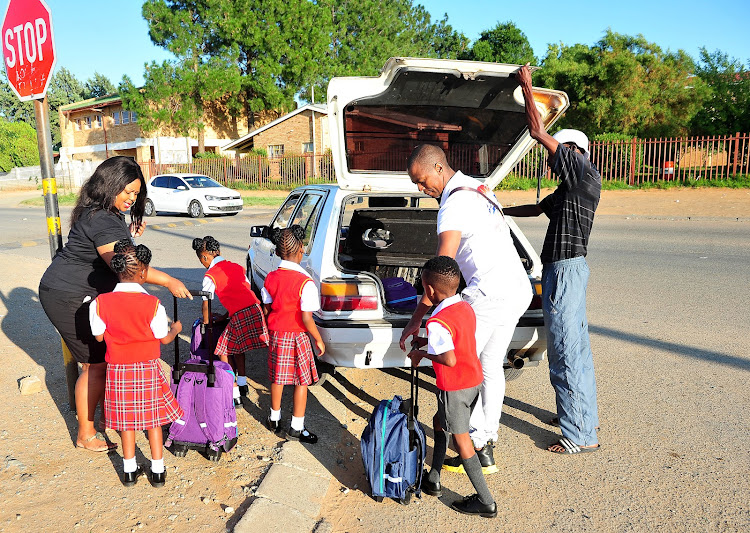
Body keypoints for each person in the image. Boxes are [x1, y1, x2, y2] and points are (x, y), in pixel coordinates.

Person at [38, 156, 190, 453]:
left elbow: (115, 252)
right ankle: (86, 432)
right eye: (128, 193)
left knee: (104, 360)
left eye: (136, 194)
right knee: (95, 364)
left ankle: (112, 414)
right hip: (69, 294)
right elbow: (128, 268)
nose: (132, 199)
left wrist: (127, 237)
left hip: (79, 289)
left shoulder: (103, 212)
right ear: (110, 186)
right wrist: (169, 280)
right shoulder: (104, 220)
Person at [400, 144, 531, 474]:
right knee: (488, 366)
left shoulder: (453, 204)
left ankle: (474, 444)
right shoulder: (477, 187)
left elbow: (443, 265)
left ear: (439, 169)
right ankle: (487, 440)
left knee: (459, 371)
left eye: (421, 180)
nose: (420, 188)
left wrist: (418, 319)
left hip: (488, 295)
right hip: (516, 289)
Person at [502, 64, 601, 455]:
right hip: (567, 271)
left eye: (560, 150)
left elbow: (537, 131)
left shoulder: (581, 172)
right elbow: (536, 208)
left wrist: (526, 86)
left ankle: (579, 436)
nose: (551, 158)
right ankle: (580, 417)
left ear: (574, 151)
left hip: (567, 270)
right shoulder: (569, 189)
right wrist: (500, 207)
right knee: (575, 347)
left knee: (563, 349)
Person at [88, 240, 183, 487]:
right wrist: (175, 329)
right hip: (147, 369)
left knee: (125, 423)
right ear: (143, 272)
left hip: (118, 370)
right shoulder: (153, 305)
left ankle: (129, 472)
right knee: (153, 422)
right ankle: (158, 471)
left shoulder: (99, 303)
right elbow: (163, 339)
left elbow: (99, 336)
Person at [408, 256, 497, 518]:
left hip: (454, 387)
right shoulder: (464, 307)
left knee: (462, 441)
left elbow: (449, 358)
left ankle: (486, 501)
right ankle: (434, 478)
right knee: (439, 421)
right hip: (473, 380)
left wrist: (421, 355)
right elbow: (456, 341)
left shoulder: (436, 322)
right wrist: (425, 344)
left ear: (429, 290)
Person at [261, 226, 326, 444]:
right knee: (301, 382)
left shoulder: (270, 277)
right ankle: (296, 427)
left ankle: (274, 418)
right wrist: (317, 338)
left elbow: (267, 307)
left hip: (277, 334)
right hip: (297, 336)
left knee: (277, 378)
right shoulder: (305, 282)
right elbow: (307, 318)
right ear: (300, 249)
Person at [192, 235, 269, 405]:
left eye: (201, 260)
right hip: (254, 310)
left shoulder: (210, 275)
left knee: (222, 350)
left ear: (205, 256)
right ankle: (242, 384)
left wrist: (206, 323)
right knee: (238, 348)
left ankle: (233, 392)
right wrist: (226, 316)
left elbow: (206, 303)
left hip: (241, 315)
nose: (203, 264)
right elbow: (242, 292)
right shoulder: (237, 267)